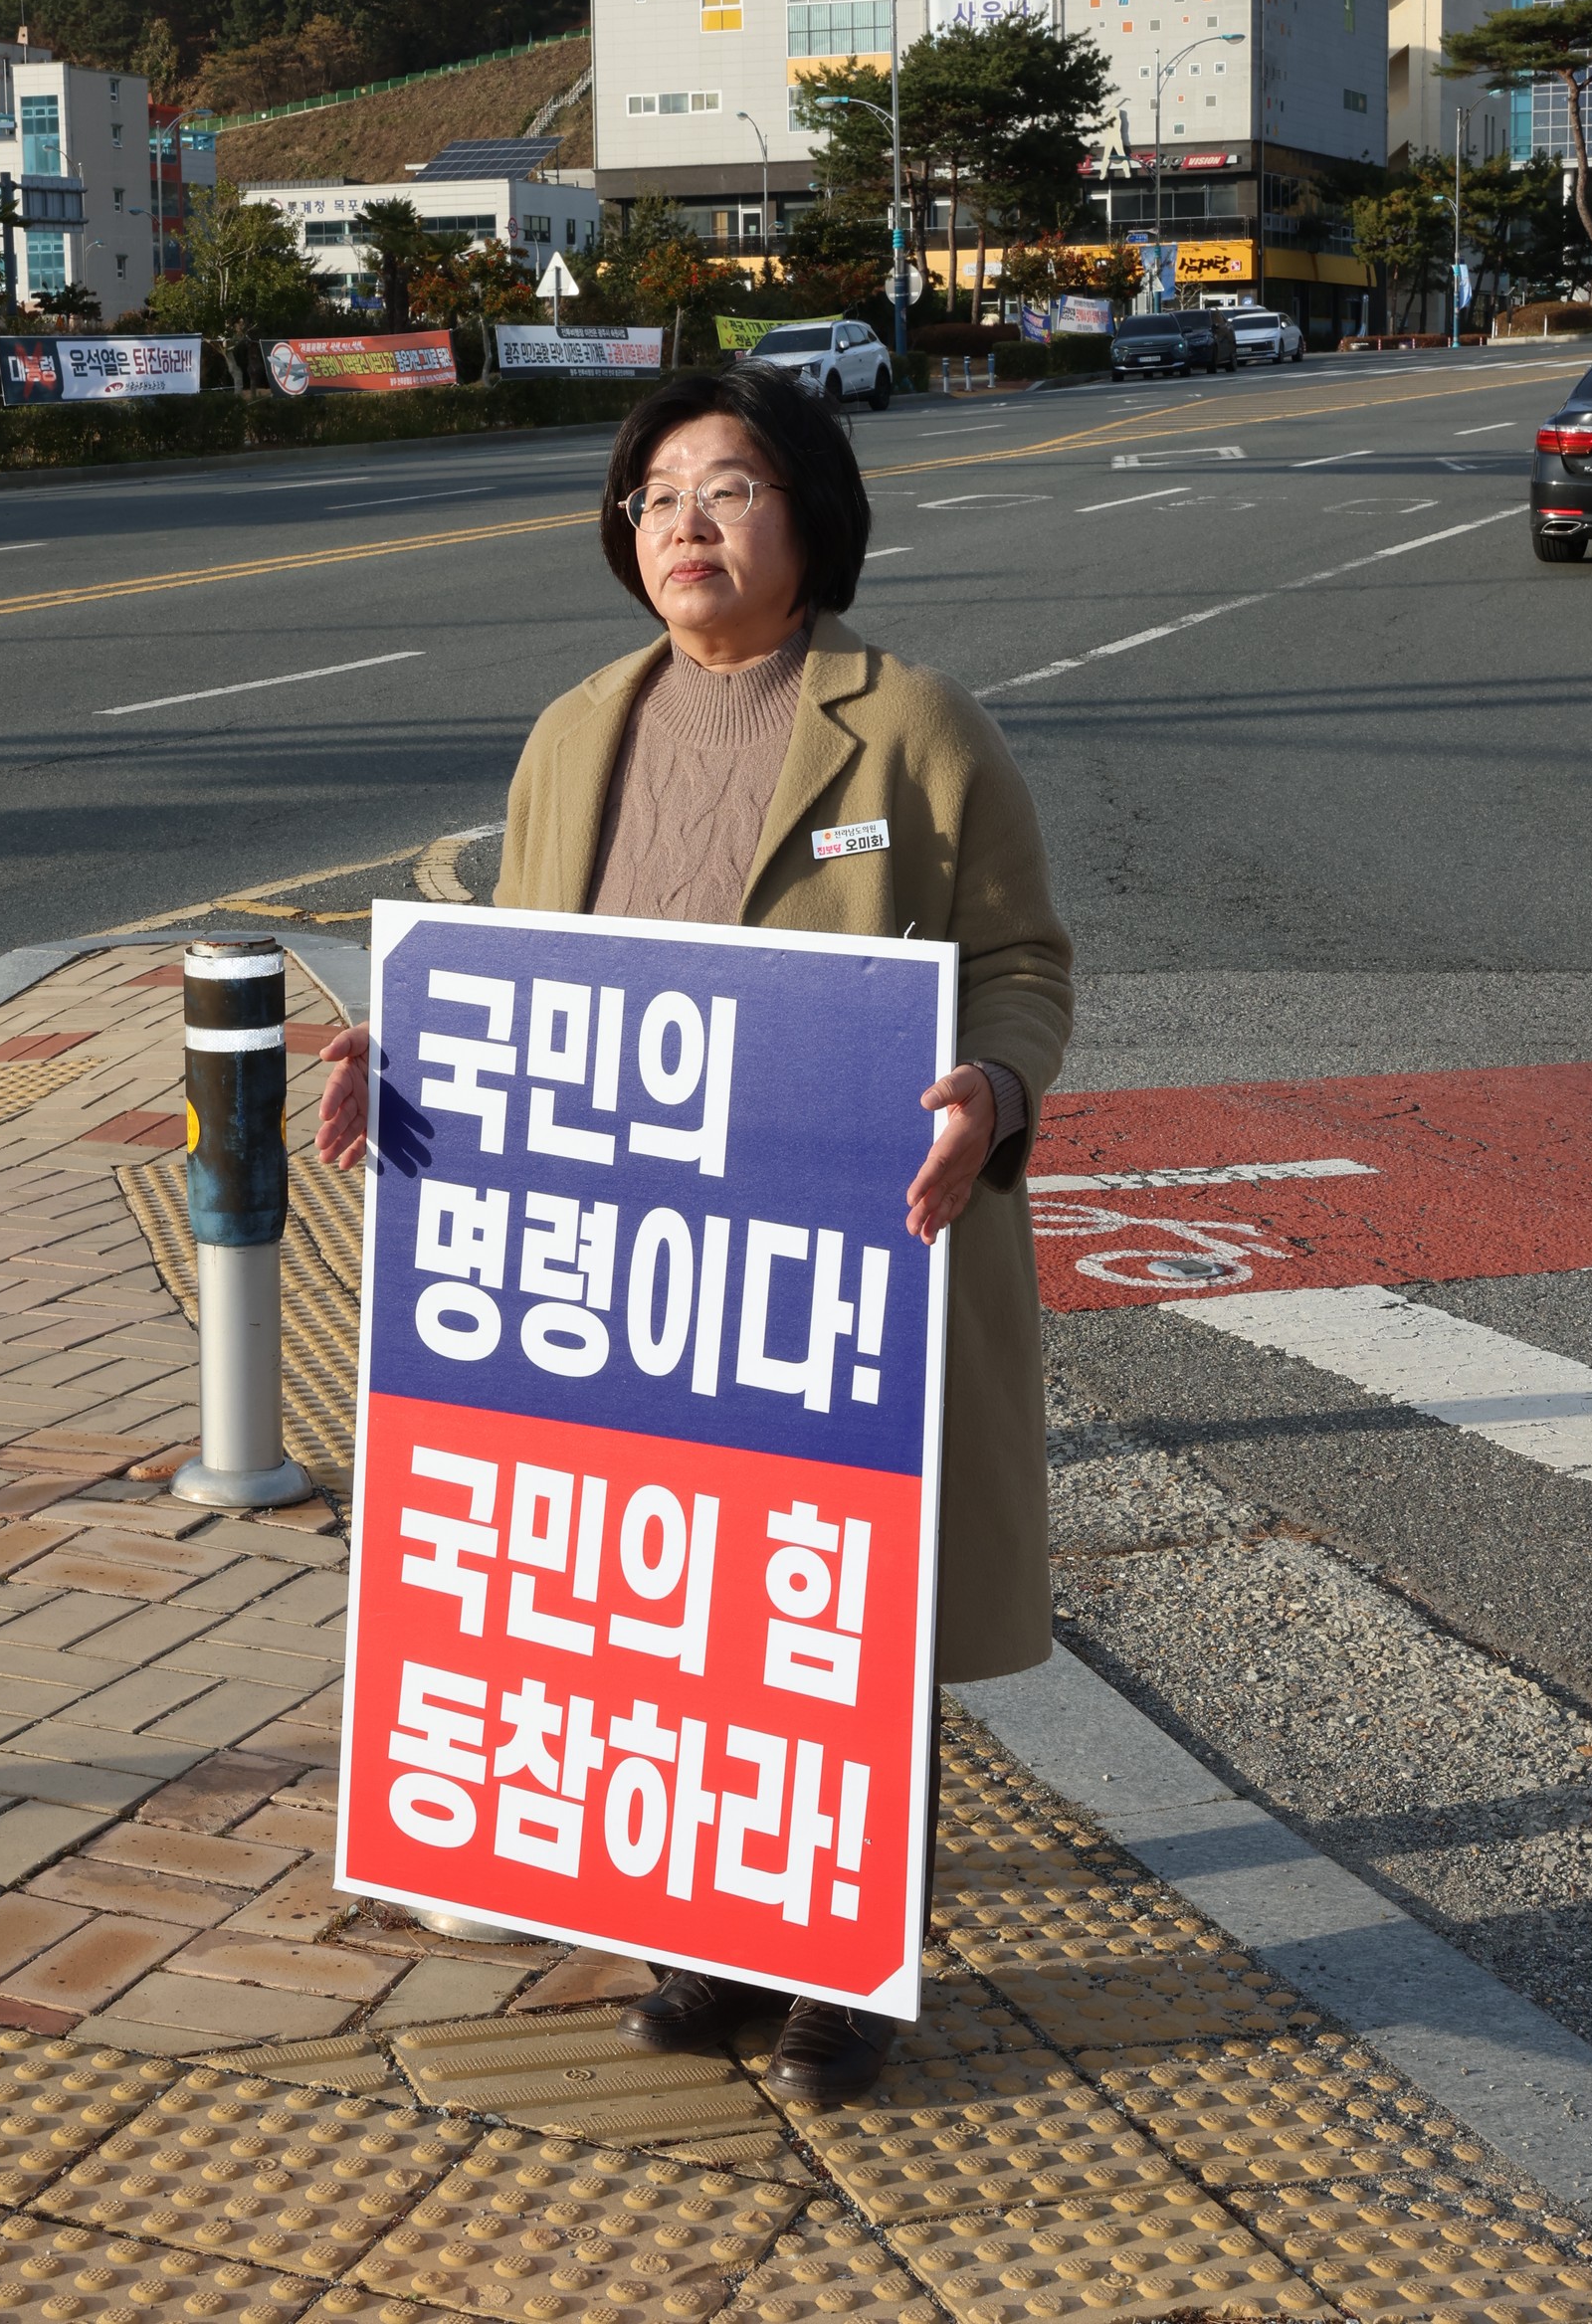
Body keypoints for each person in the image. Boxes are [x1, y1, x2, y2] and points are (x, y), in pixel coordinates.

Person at [315, 358, 1072, 2107]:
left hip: (847, 1258)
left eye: (726, 488)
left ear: (809, 513)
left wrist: (995, 1091)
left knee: (838, 1612)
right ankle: (701, 1940)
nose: (685, 524)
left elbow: (1026, 960)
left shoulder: (915, 725)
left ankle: (838, 1972)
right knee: (669, 1615)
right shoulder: (580, 723)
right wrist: (410, 1046)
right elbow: (523, 969)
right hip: (637, 1272)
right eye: (655, 497)